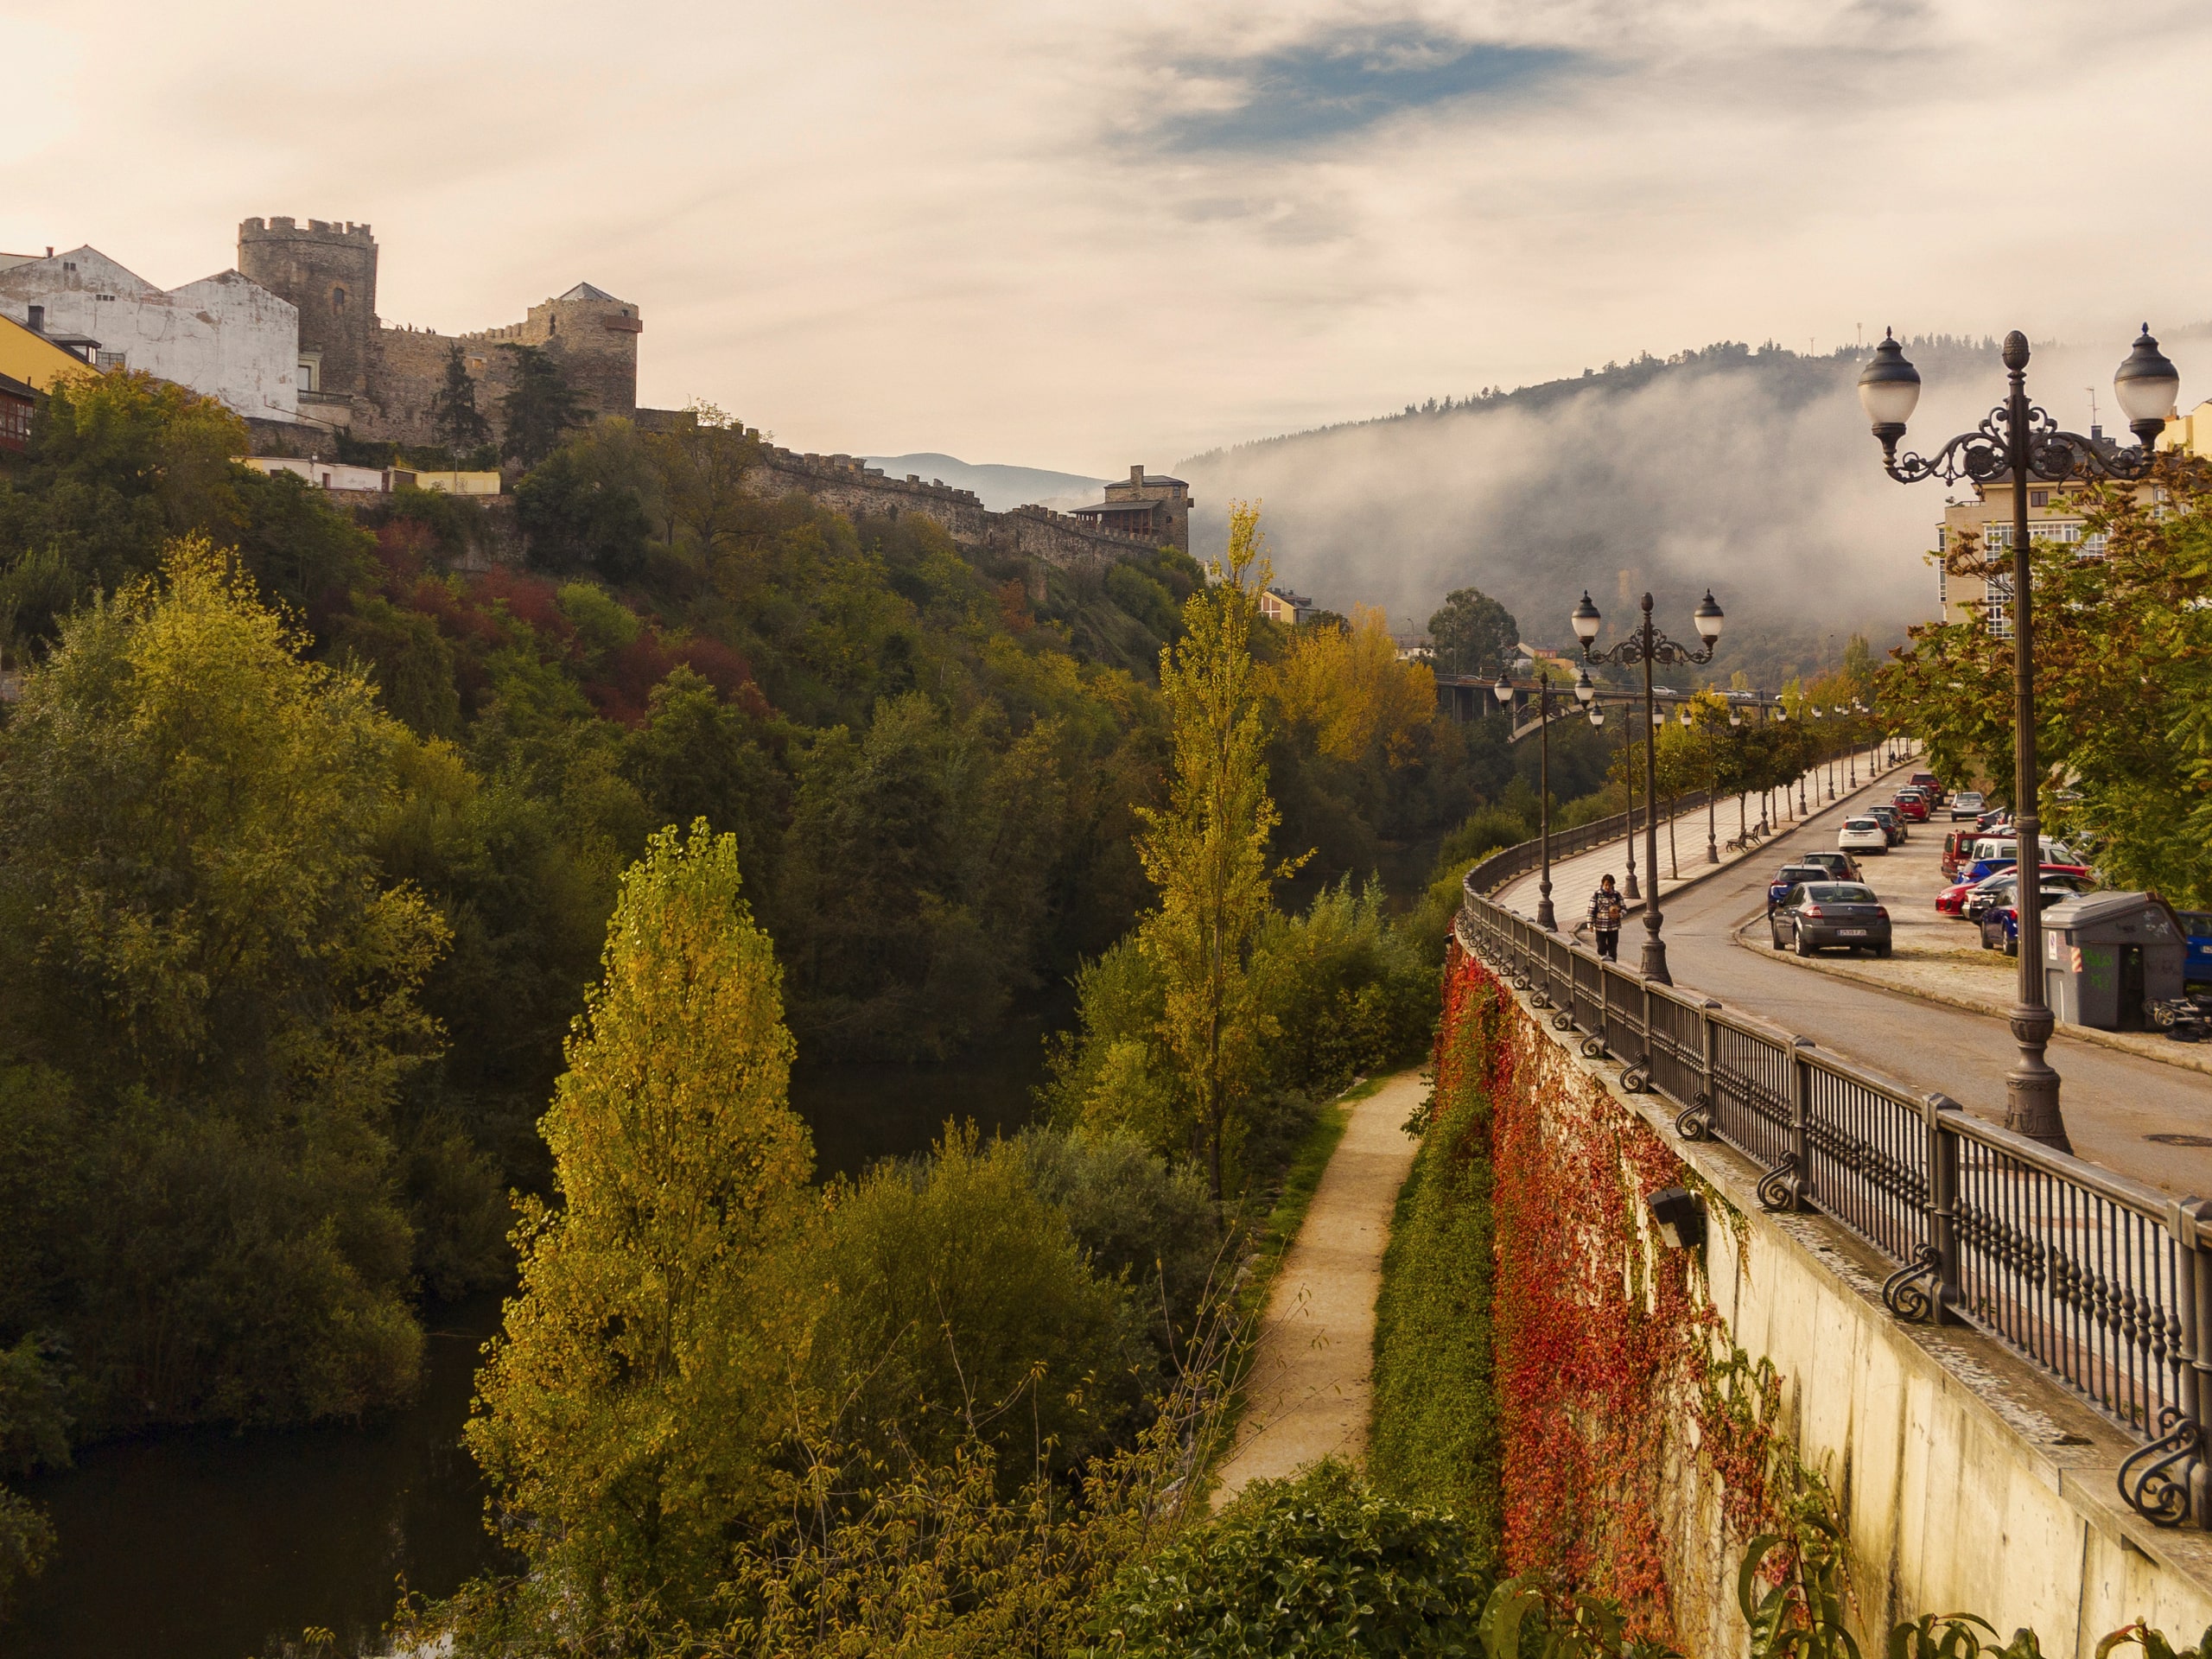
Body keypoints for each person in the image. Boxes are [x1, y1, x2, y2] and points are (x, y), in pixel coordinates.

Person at [1589, 874, 1624, 961]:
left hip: (1613, 926)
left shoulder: (1616, 895)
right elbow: (1591, 910)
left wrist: (1619, 915)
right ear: (1603, 884)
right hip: (1600, 926)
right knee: (1601, 947)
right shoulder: (1597, 895)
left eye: (1610, 885)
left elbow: (1624, 909)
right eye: (1606, 885)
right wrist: (1590, 923)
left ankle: (1613, 967)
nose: (1608, 887)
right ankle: (1602, 965)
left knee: (1613, 949)